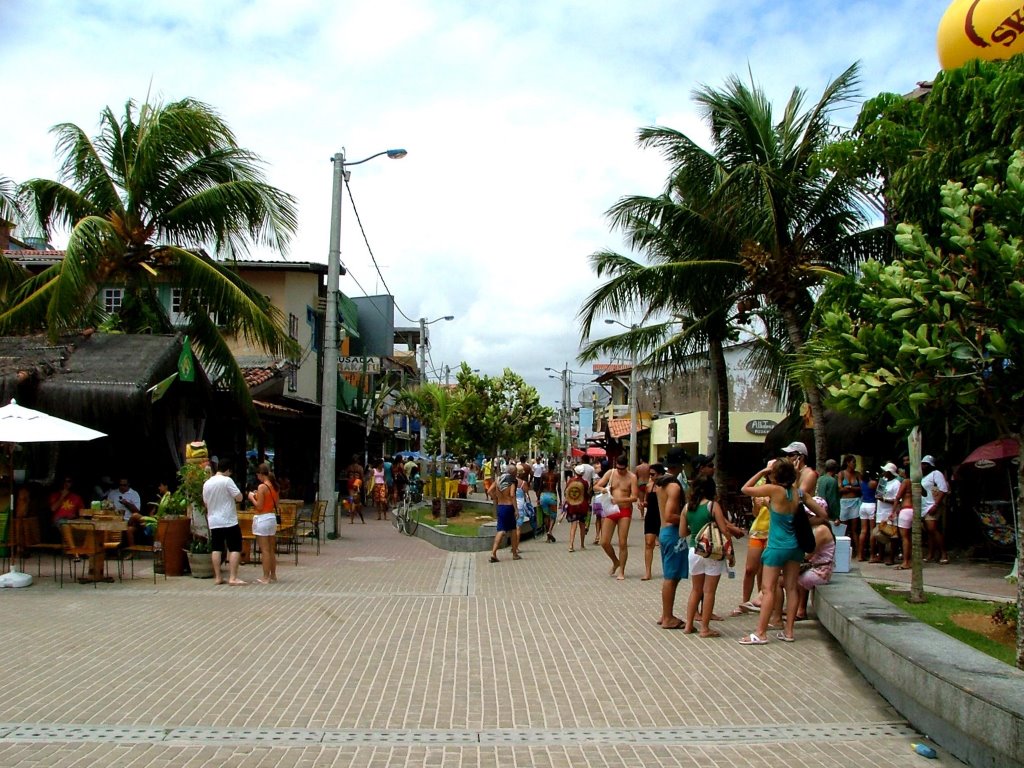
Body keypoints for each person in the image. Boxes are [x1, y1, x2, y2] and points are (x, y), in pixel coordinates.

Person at [739, 458, 827, 645]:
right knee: (792, 588)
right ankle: (789, 632)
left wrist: (763, 472)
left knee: (768, 589)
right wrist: (803, 523)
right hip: (795, 547)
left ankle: (761, 633)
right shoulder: (799, 493)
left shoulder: (774, 490)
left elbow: (745, 489)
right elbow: (823, 515)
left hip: (777, 546)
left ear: (774, 475)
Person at [683, 477, 744, 637]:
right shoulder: (712, 505)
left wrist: (697, 530)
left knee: (696, 589)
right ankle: (704, 628)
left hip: (694, 550)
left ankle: (689, 625)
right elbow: (724, 530)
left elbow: (682, 532)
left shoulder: (687, 507)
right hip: (712, 551)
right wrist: (729, 550)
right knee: (709, 591)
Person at [593, 454, 638, 580]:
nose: (620, 471)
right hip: (611, 509)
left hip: (624, 510)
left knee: (622, 542)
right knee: (604, 541)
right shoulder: (611, 473)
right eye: (618, 468)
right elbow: (596, 486)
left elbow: (634, 497)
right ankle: (615, 561)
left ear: (626, 467)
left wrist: (619, 500)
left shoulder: (632, 477)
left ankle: (622, 570)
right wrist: (602, 489)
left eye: (622, 469)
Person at [654, 464, 689, 628]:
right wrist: (687, 521)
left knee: (671, 576)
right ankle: (668, 617)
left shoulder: (662, 485)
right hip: (672, 533)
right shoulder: (673, 486)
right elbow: (669, 515)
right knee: (671, 577)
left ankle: (665, 614)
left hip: (665, 533)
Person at [203, 456, 245, 586]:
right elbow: (239, 497)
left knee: (216, 548)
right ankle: (233, 577)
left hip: (214, 520)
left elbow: (205, 502)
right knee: (235, 547)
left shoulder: (207, 483)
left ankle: (218, 577)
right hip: (229, 520)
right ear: (227, 470)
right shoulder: (227, 481)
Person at [733, 474, 770, 616]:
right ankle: (745, 602)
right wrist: (756, 503)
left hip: (773, 531)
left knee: (765, 570)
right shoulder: (760, 485)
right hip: (758, 530)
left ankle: (763, 602)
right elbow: (755, 513)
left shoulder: (780, 487)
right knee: (750, 569)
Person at [795, 500, 836, 620]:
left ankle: (800, 609)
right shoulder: (814, 528)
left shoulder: (821, 530)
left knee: (790, 579)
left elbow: (808, 553)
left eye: (810, 516)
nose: (807, 519)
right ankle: (797, 607)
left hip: (821, 570)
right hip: (814, 567)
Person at [247, 462, 279, 584]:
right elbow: (276, 503)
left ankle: (265, 577)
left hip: (262, 518)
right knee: (271, 549)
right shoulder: (275, 486)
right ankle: (273, 575)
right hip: (271, 517)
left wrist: (251, 497)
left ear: (261, 474)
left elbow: (259, 506)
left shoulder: (262, 487)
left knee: (264, 549)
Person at [488, 463, 520, 563]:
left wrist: (496, 498)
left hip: (501, 506)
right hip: (509, 507)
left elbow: (489, 491)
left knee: (500, 530)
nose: (516, 474)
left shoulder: (498, 479)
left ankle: (493, 553)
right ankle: (514, 553)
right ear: (513, 473)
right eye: (516, 472)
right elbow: (512, 495)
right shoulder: (512, 481)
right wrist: (516, 509)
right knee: (513, 530)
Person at [921, 455, 950, 564]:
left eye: (925, 464)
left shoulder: (936, 474)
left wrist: (936, 504)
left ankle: (944, 553)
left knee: (933, 529)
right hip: (924, 507)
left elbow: (943, 489)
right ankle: (931, 554)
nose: (923, 466)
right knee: (929, 531)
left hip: (933, 505)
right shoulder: (923, 477)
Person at [871, 463, 901, 564]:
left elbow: (898, 500)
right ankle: (880, 556)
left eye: (885, 471)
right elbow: (877, 496)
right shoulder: (882, 482)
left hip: (890, 512)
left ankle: (891, 557)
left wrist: (884, 499)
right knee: (879, 534)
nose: (883, 473)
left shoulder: (896, 483)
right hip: (880, 511)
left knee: (892, 536)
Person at [642, 463, 663, 581]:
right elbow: (646, 501)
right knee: (649, 543)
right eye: (650, 474)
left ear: (660, 474)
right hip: (651, 516)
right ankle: (648, 572)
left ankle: (667, 570)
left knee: (665, 544)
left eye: (653, 474)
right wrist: (643, 504)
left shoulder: (666, 486)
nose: (651, 477)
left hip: (662, 517)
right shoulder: (649, 486)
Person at [107, 477, 143, 545]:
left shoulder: (134, 494)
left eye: (124, 485)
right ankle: (111, 550)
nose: (122, 487)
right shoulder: (113, 493)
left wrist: (127, 503)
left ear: (128, 484)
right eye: (121, 485)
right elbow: (107, 506)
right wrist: (110, 507)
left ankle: (132, 551)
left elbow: (137, 511)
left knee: (128, 529)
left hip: (129, 521)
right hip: (114, 520)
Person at [563, 465, 590, 552]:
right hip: (582, 505)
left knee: (573, 525)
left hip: (572, 505)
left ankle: (571, 545)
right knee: (582, 525)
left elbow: (566, 492)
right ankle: (582, 545)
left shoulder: (570, 481)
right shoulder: (585, 483)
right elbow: (586, 494)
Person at [838, 454, 862, 542]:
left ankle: (857, 550)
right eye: (853, 462)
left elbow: (861, 488)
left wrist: (850, 488)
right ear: (848, 463)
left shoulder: (857, 474)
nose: (855, 464)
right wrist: (852, 489)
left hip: (855, 501)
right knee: (844, 527)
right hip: (844, 501)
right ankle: (844, 548)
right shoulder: (842, 473)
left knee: (854, 529)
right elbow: (840, 489)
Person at [857, 470, 878, 561]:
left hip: (863, 505)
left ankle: (860, 555)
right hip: (871, 505)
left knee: (863, 530)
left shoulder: (861, 483)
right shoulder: (873, 483)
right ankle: (872, 555)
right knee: (872, 531)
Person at [538, 460, 560, 543]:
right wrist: (561, 500)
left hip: (543, 495)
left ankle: (548, 538)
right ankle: (549, 531)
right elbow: (559, 488)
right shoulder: (557, 475)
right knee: (553, 516)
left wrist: (538, 497)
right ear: (554, 466)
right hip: (552, 496)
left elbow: (540, 486)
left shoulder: (544, 474)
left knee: (546, 516)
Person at [816, 458, 841, 524]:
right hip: (829, 514)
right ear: (835, 469)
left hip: (818, 510)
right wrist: (836, 516)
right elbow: (833, 500)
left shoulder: (820, 479)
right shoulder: (832, 481)